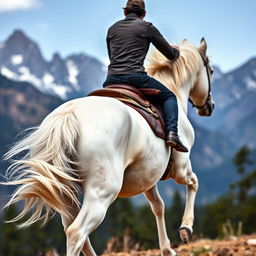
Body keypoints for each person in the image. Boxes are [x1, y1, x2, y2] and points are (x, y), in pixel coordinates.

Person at [103, 0, 188, 152]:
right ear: (144, 14)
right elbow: (170, 54)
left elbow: (112, 56)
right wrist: (176, 50)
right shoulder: (147, 27)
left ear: (125, 12)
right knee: (169, 97)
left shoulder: (112, 29)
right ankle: (172, 133)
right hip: (135, 78)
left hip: (111, 80)